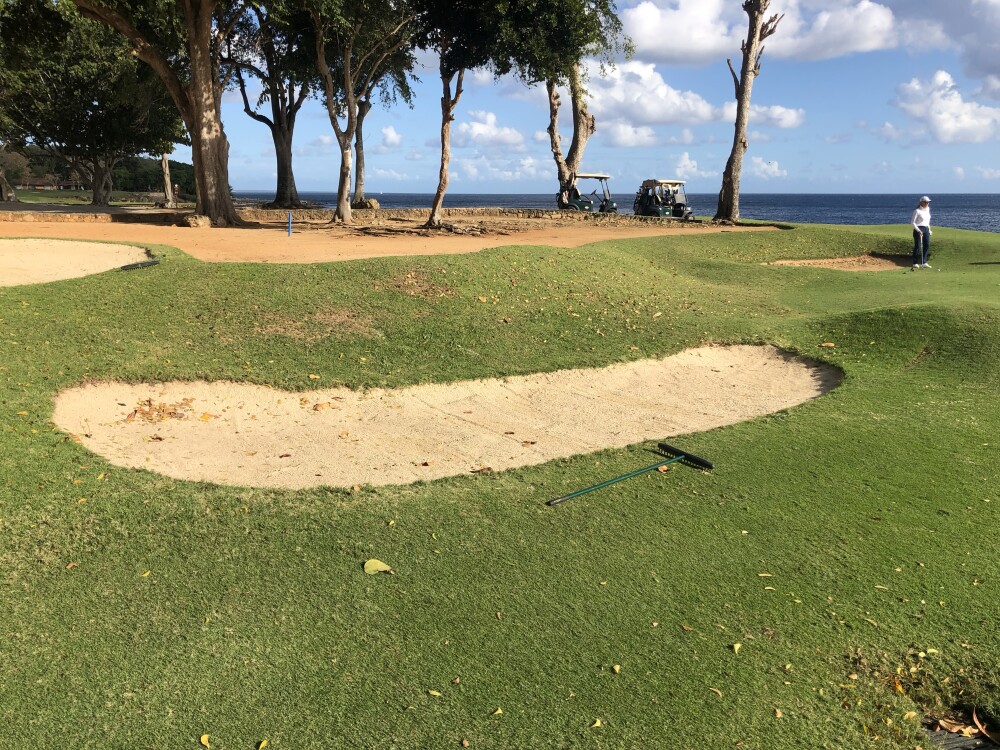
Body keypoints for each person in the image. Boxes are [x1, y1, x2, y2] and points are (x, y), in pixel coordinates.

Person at [911, 196, 932, 269]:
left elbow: (927, 221)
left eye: (928, 202)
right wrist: (919, 231)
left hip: (926, 229)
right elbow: (913, 223)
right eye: (926, 202)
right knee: (918, 246)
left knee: (927, 245)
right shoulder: (917, 211)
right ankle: (915, 262)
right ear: (921, 202)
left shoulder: (928, 209)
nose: (927, 203)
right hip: (918, 229)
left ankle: (924, 262)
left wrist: (929, 230)